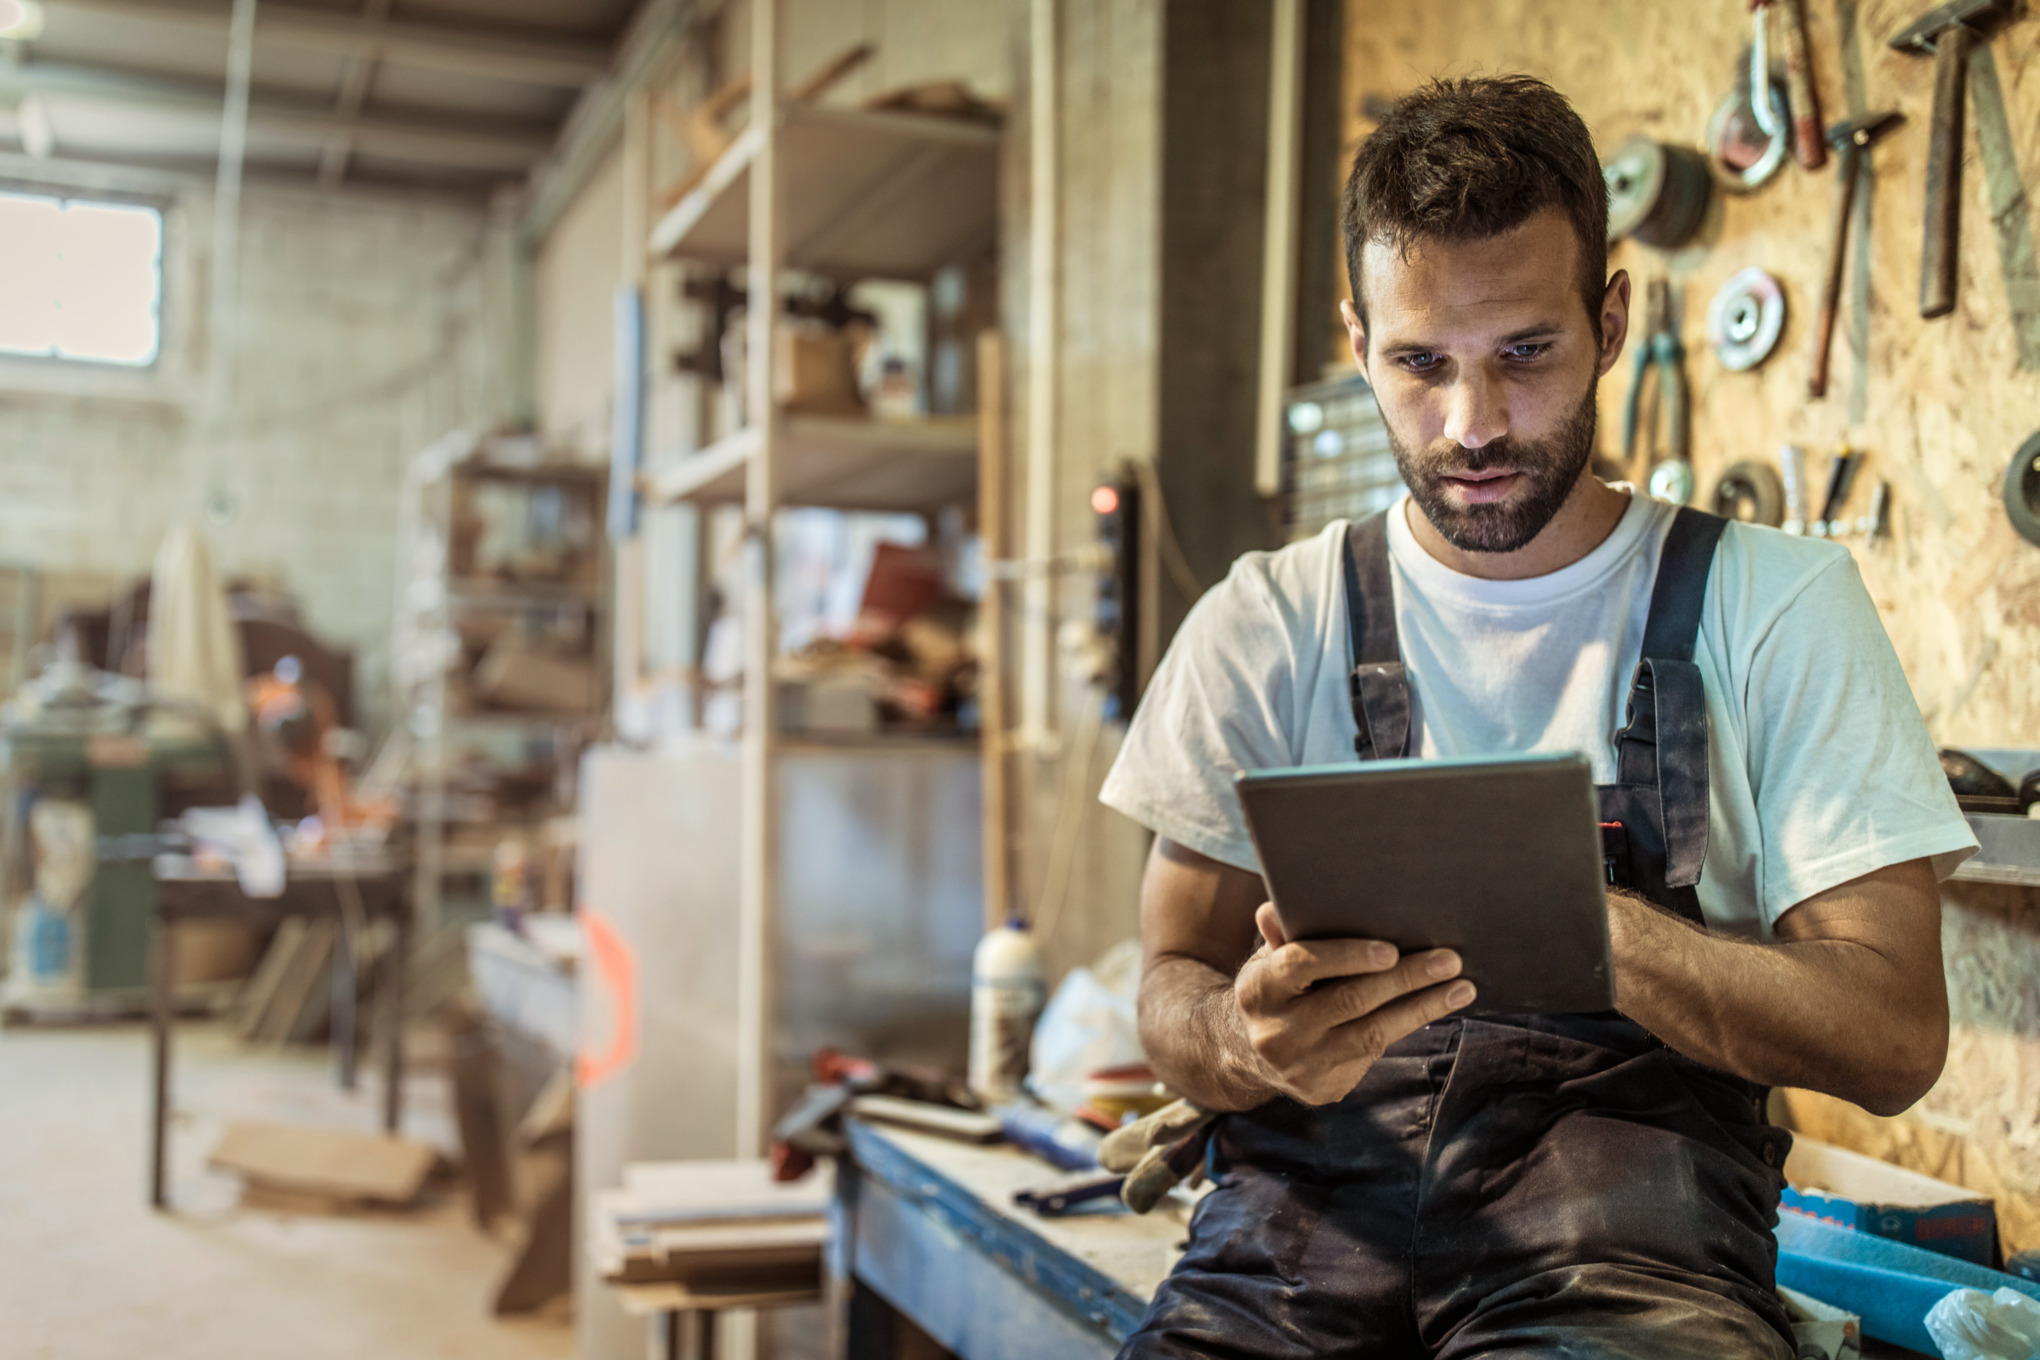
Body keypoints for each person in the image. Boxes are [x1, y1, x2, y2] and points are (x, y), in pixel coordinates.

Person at [1098, 75, 1978, 1360]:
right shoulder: (1266, 618)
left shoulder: (1778, 605)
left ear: (1610, 318)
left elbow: (1897, 1040)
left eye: (1524, 352)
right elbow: (1170, 987)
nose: (1472, 425)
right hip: (1284, 1254)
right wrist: (1246, 1036)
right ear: (1358, 342)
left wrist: (1587, 929)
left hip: (1630, 1260)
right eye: (1418, 364)